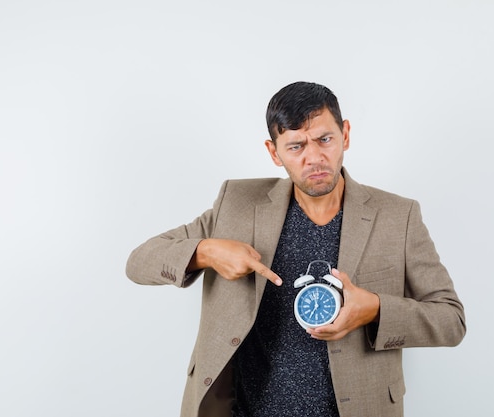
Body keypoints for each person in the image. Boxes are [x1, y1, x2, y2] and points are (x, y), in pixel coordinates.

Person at [126, 81, 466, 417]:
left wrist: (376, 309)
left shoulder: (398, 216)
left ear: (345, 134)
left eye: (325, 139)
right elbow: (139, 261)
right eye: (296, 147)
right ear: (274, 152)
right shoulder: (237, 204)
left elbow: (451, 319)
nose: (314, 158)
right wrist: (206, 252)